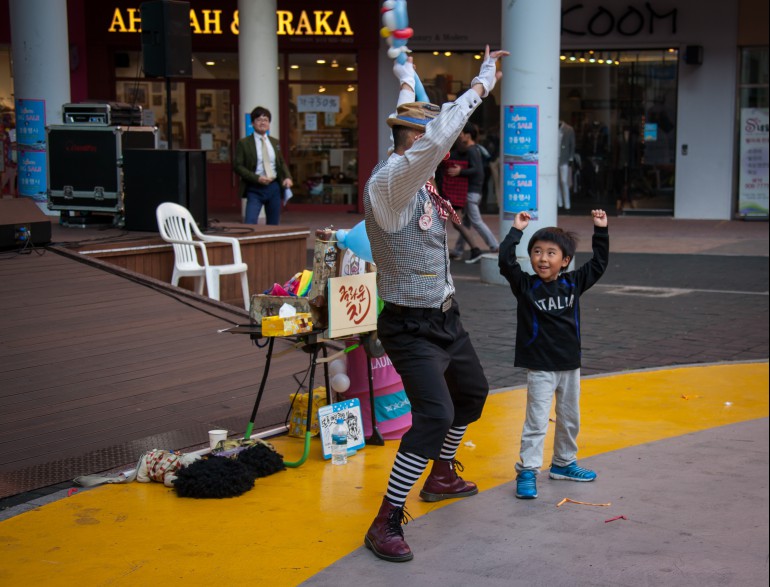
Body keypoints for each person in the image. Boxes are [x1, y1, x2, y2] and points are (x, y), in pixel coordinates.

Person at [363, 45, 508, 563]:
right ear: (417, 143)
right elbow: (442, 129)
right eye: (432, 143)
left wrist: (405, 71)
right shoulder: (393, 184)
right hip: (409, 325)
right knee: (433, 413)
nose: (441, 151)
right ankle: (385, 521)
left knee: (472, 396)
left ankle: (442, 475)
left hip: (446, 316)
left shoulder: (414, 177)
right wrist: (482, 83)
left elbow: (412, 102)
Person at [498, 209, 609, 500]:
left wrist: (601, 230)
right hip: (540, 367)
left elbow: (599, 263)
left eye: (550, 253)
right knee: (536, 422)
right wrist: (516, 231)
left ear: (566, 261)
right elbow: (505, 262)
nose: (543, 258)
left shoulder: (573, 283)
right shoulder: (525, 286)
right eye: (536, 252)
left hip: (570, 366)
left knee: (570, 418)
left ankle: (563, 463)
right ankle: (528, 470)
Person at [446, 122, 500, 263]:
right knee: (466, 223)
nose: (459, 136)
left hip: (472, 192)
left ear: (468, 135)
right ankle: (458, 250)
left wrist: (460, 172)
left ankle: (494, 245)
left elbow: (477, 170)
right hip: (473, 192)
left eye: (462, 133)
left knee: (475, 221)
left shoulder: (471, 150)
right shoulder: (473, 150)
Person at [234, 106, 293, 225]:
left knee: (273, 224)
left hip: (273, 188)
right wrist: (257, 178)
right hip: (254, 188)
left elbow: (280, 162)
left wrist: (287, 177)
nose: (263, 123)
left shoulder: (274, 142)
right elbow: (237, 166)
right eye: (259, 120)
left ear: (269, 123)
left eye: (265, 120)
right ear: (252, 123)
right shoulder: (244, 143)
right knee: (250, 222)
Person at [436, 138, 482, 261]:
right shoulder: (462, 154)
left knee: (453, 222)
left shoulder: (449, 156)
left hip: (450, 192)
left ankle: (475, 249)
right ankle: (471, 249)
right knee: (456, 222)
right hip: (457, 192)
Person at [558, 120, 576, 210]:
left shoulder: (569, 129)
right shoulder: (552, 129)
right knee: (556, 183)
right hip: (553, 160)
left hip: (564, 159)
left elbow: (572, 145)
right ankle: (559, 203)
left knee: (564, 181)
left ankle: (567, 204)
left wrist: (571, 158)